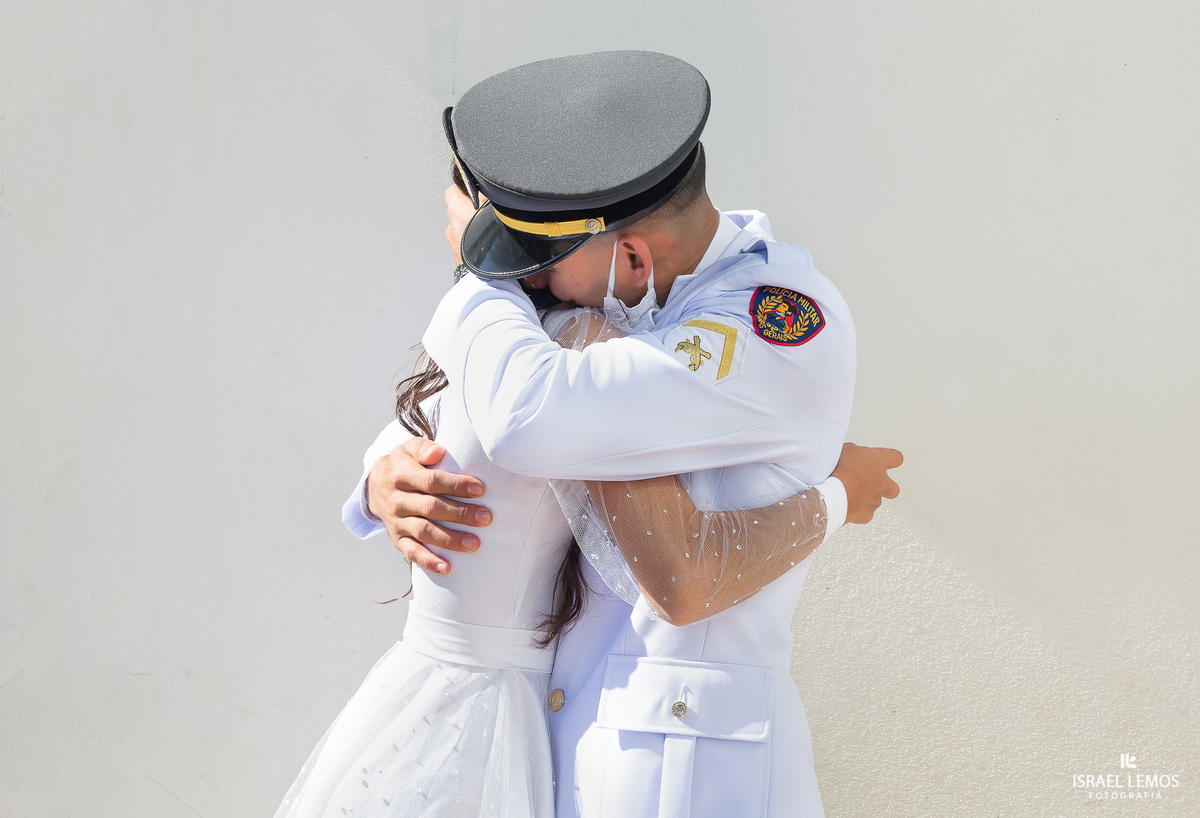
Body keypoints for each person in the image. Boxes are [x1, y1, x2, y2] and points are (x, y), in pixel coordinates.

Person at [355, 51, 901, 818]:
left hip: (691, 772)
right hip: (559, 742)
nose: (533, 284)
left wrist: (478, 278)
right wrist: (386, 471)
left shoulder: (771, 324)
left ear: (635, 256)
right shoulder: (618, 303)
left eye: (539, 265)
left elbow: (530, 417)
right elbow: (489, 412)